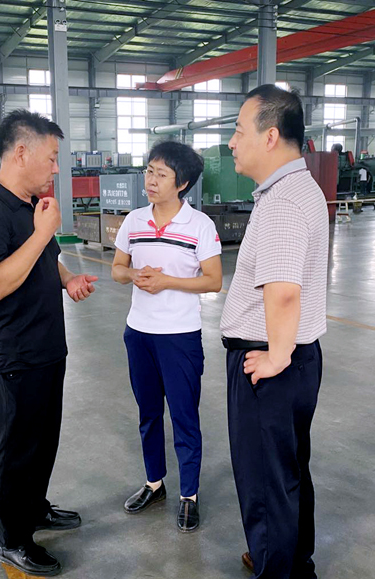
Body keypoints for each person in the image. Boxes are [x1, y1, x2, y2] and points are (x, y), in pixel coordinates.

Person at [0, 109, 98, 577]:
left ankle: (33, 509)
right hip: (11, 355)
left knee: (41, 442)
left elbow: (47, 258)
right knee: (15, 450)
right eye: (52, 157)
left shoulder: (31, 206)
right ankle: (13, 539)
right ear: (21, 152)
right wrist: (41, 233)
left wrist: (68, 279)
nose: (56, 167)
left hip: (46, 348)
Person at [220, 85, 328, 579]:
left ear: (269, 136)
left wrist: (276, 356)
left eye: (238, 131)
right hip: (297, 358)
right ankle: (289, 559)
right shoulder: (300, 187)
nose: (231, 142)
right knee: (288, 469)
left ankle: (275, 568)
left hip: (271, 363)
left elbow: (283, 292)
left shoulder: (282, 201)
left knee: (265, 479)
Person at [111, 140, 223, 532]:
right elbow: (117, 269)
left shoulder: (200, 225)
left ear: (182, 183)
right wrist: (133, 275)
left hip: (179, 337)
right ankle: (154, 483)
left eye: (161, 174)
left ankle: (189, 494)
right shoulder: (134, 220)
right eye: (149, 171)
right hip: (139, 334)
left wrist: (166, 281)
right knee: (148, 414)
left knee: (184, 417)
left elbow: (213, 280)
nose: (151, 180)